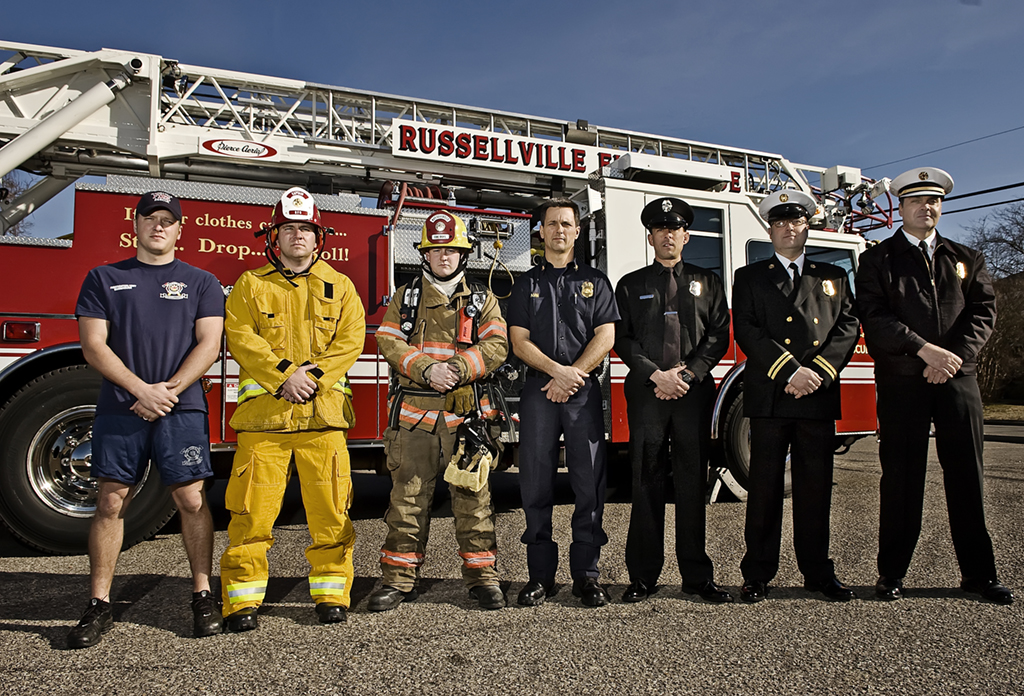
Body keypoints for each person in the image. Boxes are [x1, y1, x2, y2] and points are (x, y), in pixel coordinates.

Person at [68, 191, 225, 648]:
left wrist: (167, 392)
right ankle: (98, 603)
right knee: (111, 501)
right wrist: (141, 390)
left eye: (167, 220)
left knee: (192, 500)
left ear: (180, 228)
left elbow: (209, 344)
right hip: (123, 405)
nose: (159, 226)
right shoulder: (103, 278)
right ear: (134, 224)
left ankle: (202, 593)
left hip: (181, 406)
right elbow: (94, 345)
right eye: (150, 218)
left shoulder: (202, 282)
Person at [856, 167, 1013, 605]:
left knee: (968, 476)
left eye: (935, 201)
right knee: (902, 478)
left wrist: (951, 359)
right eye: (918, 201)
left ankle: (980, 575)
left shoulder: (966, 257)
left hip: (957, 382)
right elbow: (874, 316)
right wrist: (925, 351)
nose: (928, 208)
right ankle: (891, 574)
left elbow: (983, 313)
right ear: (901, 208)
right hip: (904, 381)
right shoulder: (877, 260)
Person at [220, 187, 366, 630]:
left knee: (331, 514)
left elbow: (351, 341)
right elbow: (241, 337)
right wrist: (285, 375)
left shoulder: (340, 286)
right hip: (265, 419)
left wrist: (312, 378)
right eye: (289, 228)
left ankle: (331, 594)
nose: (297, 236)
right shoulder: (250, 284)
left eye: (306, 228)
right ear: (274, 236)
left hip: (323, 420)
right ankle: (242, 601)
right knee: (251, 515)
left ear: (318, 237)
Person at [370, 210, 509, 611]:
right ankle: (398, 580)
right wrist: (428, 368)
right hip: (414, 419)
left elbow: (497, 346)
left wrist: (461, 368)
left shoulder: (483, 299)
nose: (443, 256)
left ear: (463, 255)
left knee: (473, 501)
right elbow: (389, 339)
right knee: (407, 500)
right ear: (424, 255)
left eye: (451, 249)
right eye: (435, 249)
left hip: (468, 420)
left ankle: (483, 578)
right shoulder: (406, 297)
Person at [732, 189, 860, 603]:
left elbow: (847, 327)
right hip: (771, 396)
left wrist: (818, 373)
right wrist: (791, 371)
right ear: (770, 230)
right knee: (765, 490)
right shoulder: (748, 277)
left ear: (808, 226)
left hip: (816, 397)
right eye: (780, 222)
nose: (789, 228)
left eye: (797, 221)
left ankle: (818, 572)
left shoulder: (834, 277)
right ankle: (757, 574)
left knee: (814, 489)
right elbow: (748, 330)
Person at [613, 197, 732, 604]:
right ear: (650, 238)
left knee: (691, 482)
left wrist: (686, 374)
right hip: (648, 394)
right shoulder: (630, 284)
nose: (667, 235)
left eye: (674, 229)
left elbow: (718, 335)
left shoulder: (709, 281)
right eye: (659, 230)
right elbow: (623, 339)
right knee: (644, 481)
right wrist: (655, 374)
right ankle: (643, 576)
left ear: (686, 236)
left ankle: (696, 576)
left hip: (692, 393)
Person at [507, 198, 619, 607]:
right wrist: (557, 372)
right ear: (540, 232)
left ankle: (587, 576)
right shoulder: (525, 284)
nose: (558, 230)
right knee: (535, 482)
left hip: (582, 394)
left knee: (588, 483)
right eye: (551, 224)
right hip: (539, 392)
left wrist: (571, 376)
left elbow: (605, 337)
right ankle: (541, 577)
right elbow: (518, 342)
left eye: (566, 224)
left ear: (576, 232)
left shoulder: (597, 282)